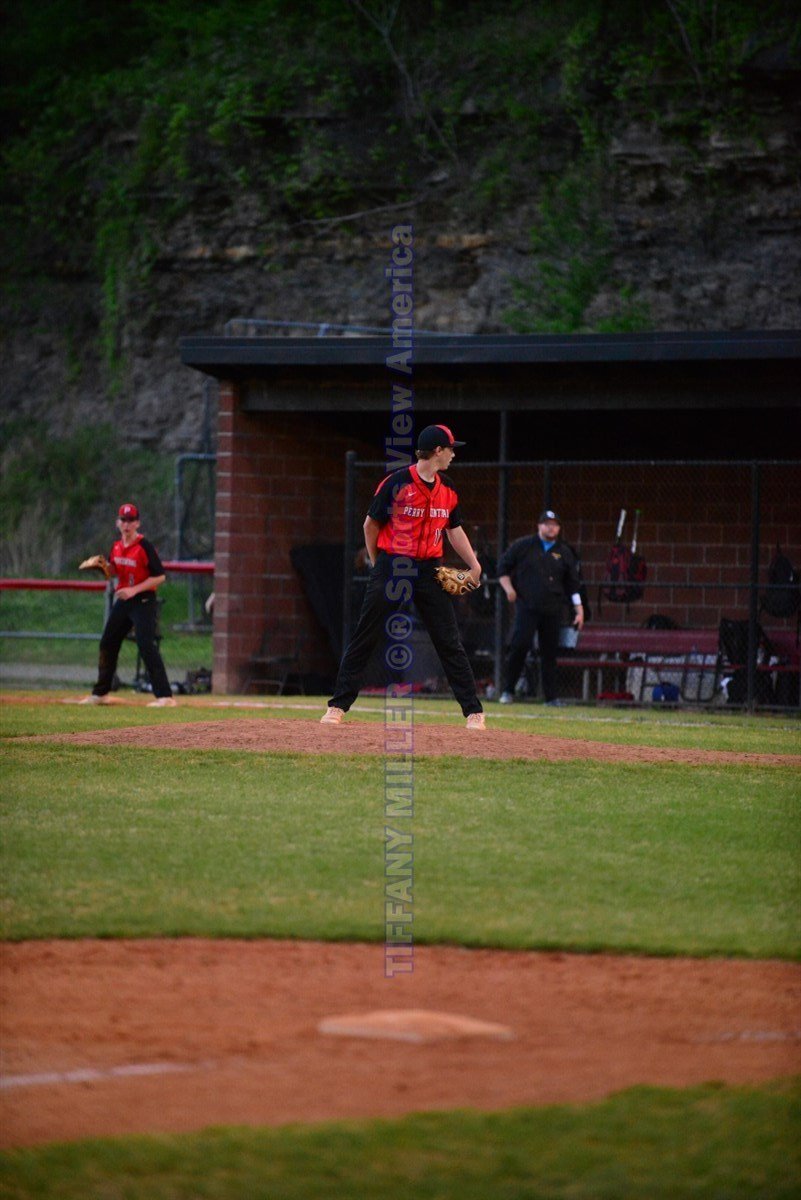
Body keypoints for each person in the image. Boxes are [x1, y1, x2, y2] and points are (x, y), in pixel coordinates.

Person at [321, 424, 486, 729]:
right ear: (437, 450)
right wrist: (378, 564)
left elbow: (454, 530)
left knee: (448, 640)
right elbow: (370, 525)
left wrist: (474, 565)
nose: (453, 455)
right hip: (394, 564)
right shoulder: (397, 483)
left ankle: (473, 712)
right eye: (450, 449)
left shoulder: (448, 488)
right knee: (366, 635)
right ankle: (338, 706)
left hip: (429, 568)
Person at [80, 502, 176, 707]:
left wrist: (134, 590)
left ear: (137, 523)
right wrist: (103, 568)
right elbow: (115, 570)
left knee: (145, 644)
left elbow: (160, 576)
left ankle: (165, 697)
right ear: (118, 523)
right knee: (108, 641)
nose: (126, 524)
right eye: (123, 520)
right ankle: (101, 693)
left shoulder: (144, 546)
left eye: (131, 520)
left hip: (143, 600)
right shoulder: (116, 546)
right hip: (125, 600)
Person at [497, 509, 584, 706]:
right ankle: (508, 690)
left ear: (559, 528)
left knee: (549, 652)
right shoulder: (523, 546)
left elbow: (573, 584)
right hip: (527, 606)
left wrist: (579, 610)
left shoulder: (564, 552)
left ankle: (551, 697)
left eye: (554, 525)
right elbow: (502, 567)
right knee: (520, 645)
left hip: (552, 608)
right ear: (539, 526)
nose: (550, 528)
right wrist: (509, 589)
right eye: (547, 524)